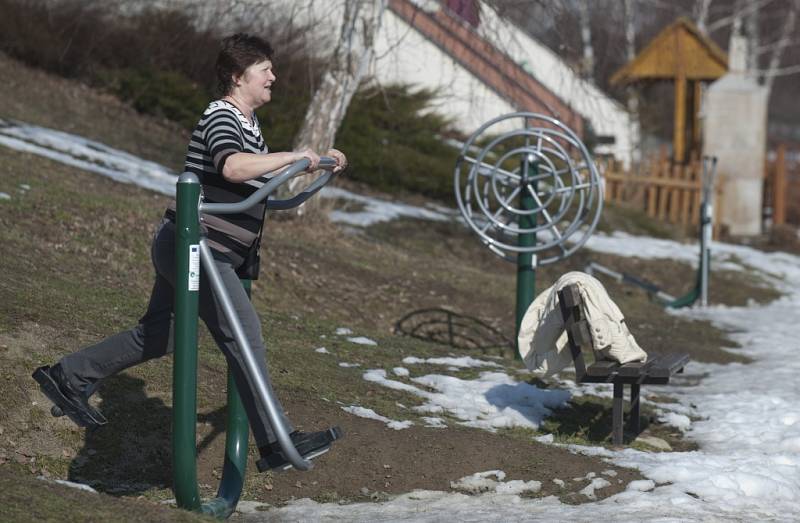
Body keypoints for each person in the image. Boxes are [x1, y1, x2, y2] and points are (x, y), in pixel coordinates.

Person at [32, 33, 347, 472]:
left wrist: (320, 164)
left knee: (161, 334)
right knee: (244, 333)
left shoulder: (249, 126)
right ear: (239, 77)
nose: (274, 76)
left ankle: (68, 376)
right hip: (198, 247)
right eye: (265, 70)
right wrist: (293, 155)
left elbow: (261, 185)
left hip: (195, 245)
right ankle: (276, 440)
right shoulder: (221, 116)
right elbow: (232, 167)